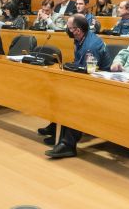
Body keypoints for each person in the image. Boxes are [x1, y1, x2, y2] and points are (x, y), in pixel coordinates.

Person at [42, 14, 114, 159]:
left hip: (102, 85)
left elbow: (89, 71)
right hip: (88, 80)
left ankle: (68, 144)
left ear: (78, 30)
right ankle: (57, 129)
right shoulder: (81, 39)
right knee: (59, 91)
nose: (66, 30)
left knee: (73, 99)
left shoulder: (91, 46)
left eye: (69, 28)